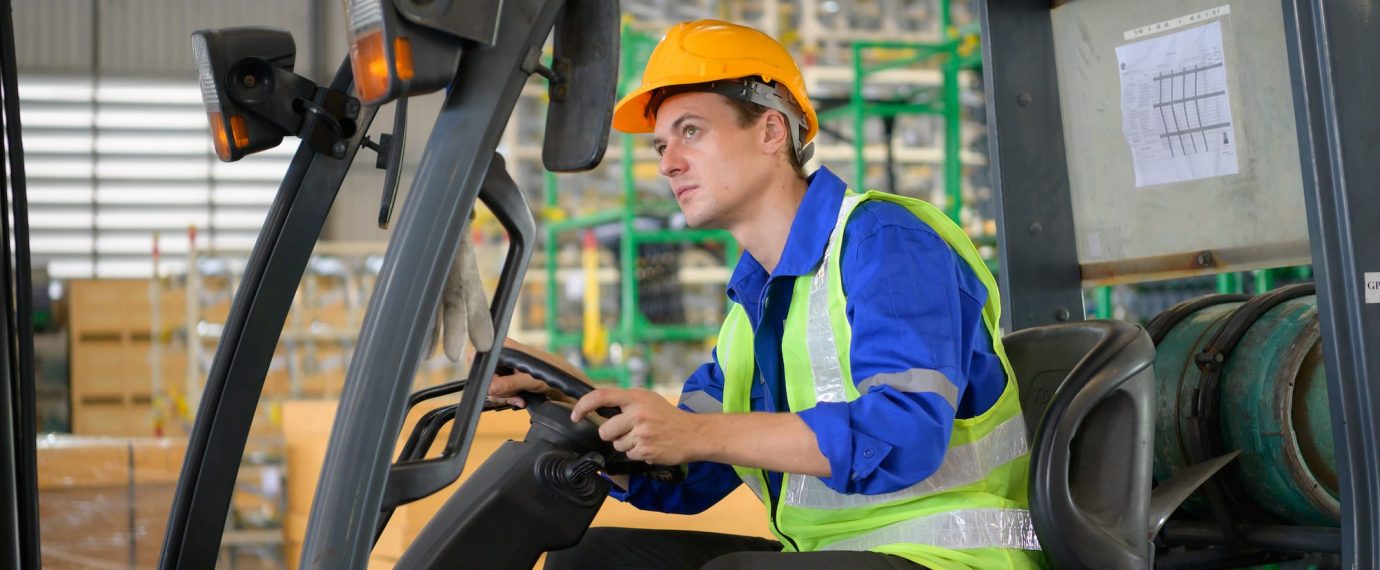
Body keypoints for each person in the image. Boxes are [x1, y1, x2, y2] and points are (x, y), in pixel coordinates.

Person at [489, 19, 1043, 570]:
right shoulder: (752, 304)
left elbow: (905, 432)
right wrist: (569, 398)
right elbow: (683, 477)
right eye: (661, 144)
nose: (667, 163)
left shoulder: (884, 241)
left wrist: (697, 431)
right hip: (828, 556)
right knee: (592, 559)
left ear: (772, 131)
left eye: (690, 132)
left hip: (950, 555)